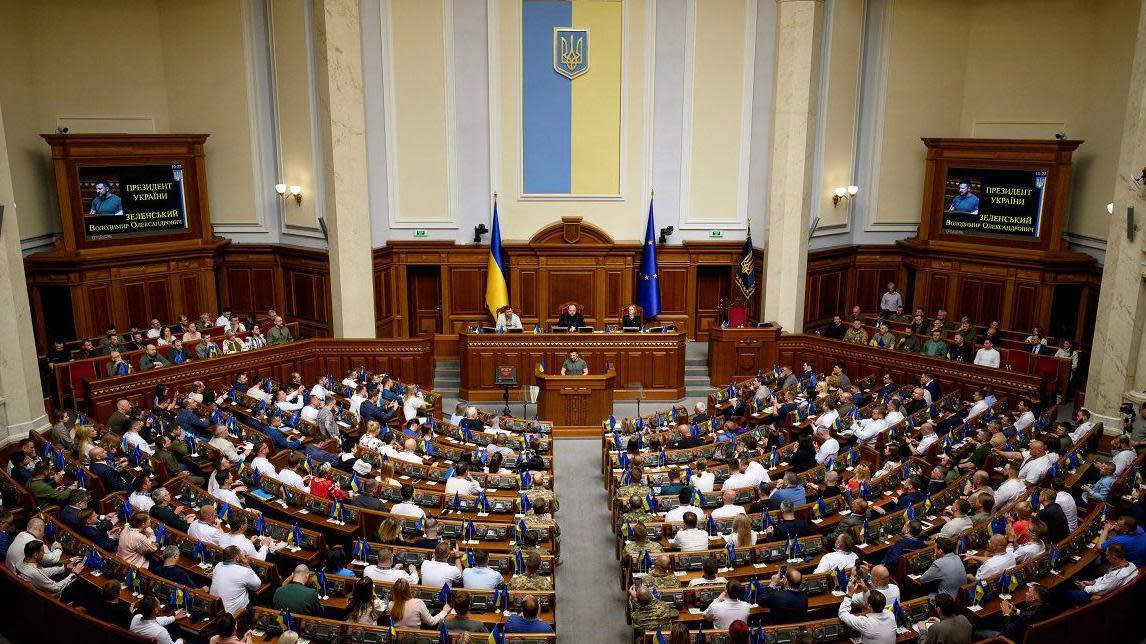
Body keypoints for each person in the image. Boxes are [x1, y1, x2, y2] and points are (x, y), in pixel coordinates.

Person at [1063, 543, 1137, 606]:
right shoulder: (1131, 565)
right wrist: (1093, 582)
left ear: (1114, 557)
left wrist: (1084, 587)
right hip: (1106, 589)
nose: (1106, 558)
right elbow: (1106, 580)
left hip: (1101, 597)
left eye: (1108, 555)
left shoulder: (1116, 576)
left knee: (1068, 592)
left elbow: (1102, 590)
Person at [14, 539, 83, 595]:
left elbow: (43, 571)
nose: (44, 553)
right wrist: (74, 574)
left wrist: (64, 567)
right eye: (42, 551)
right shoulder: (34, 572)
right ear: (35, 555)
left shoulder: (20, 561)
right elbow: (56, 588)